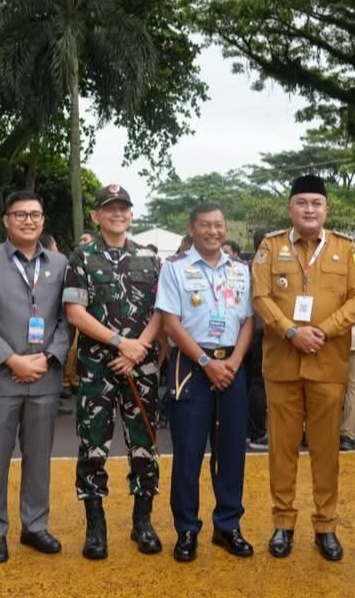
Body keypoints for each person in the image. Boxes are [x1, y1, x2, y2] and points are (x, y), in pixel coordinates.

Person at [250, 174, 355, 561]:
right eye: (302, 202)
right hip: (282, 365)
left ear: (326, 209)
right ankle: (283, 523)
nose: (309, 209)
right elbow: (260, 297)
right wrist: (290, 332)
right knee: (282, 449)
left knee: (326, 450)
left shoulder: (346, 249)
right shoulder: (270, 248)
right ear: (290, 208)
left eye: (316, 203)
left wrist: (322, 330)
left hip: (327, 363)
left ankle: (325, 526)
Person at [63, 184, 163, 560]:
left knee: (145, 443)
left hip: (142, 367)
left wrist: (138, 350)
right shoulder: (82, 258)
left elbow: (163, 311)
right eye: (109, 208)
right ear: (96, 216)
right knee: (92, 446)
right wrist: (122, 343)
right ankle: (96, 527)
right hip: (97, 368)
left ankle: (143, 522)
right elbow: (76, 313)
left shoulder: (150, 257)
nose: (117, 214)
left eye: (123, 208)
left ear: (131, 214)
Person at [0, 190, 71, 563]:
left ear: (43, 220)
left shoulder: (60, 263)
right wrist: (12, 361)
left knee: (39, 457)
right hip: (1, 378)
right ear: (6, 220)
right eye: (20, 214)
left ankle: (35, 525)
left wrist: (48, 358)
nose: (28, 221)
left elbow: (67, 320)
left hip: (45, 376)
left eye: (35, 214)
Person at [157, 202, 255, 562]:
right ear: (192, 228)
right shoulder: (175, 268)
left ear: (226, 228)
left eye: (218, 225)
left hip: (231, 364)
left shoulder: (241, 270)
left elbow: (248, 320)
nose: (213, 231)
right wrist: (205, 362)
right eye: (205, 225)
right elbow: (170, 323)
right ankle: (186, 529)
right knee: (188, 453)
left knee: (231, 452)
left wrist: (234, 362)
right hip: (191, 367)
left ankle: (227, 525)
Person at [246, 228, 270, 451]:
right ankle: (257, 432)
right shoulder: (264, 266)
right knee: (259, 382)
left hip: (248, 330)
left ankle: (249, 430)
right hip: (262, 330)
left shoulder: (246, 266)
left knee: (250, 382)